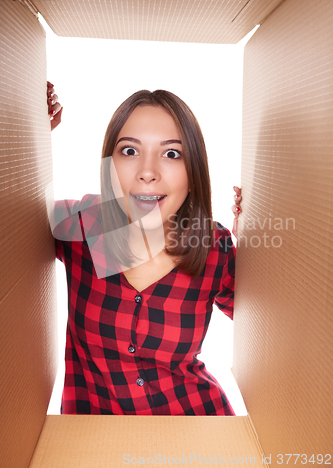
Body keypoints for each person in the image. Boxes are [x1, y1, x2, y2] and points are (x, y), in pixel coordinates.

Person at [47, 82, 243, 416]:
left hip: (200, 428)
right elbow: (11, 213)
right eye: (129, 151)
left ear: (193, 173)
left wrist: (261, 254)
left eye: (171, 154)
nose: (147, 173)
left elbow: (280, 323)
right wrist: (22, 131)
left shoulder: (214, 248)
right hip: (90, 440)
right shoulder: (83, 225)